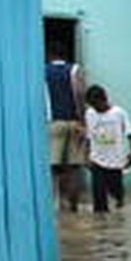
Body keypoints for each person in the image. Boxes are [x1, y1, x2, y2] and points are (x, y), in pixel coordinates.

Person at [45, 42, 87, 211]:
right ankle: (73, 206)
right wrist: (83, 120)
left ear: (50, 55)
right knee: (74, 166)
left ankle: (54, 204)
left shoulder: (43, 70)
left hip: (53, 122)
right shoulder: (75, 69)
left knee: (53, 166)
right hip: (74, 121)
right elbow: (80, 94)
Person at [83, 84, 131, 214]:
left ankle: (119, 212)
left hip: (115, 161)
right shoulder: (89, 114)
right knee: (99, 199)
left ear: (104, 100)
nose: (95, 108)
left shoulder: (119, 113)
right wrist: (85, 156)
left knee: (117, 194)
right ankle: (102, 229)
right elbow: (88, 136)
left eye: (96, 105)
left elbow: (130, 132)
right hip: (96, 160)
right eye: (92, 105)